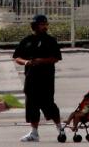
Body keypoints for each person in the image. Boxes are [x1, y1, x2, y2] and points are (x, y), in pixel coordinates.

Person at [14, 14, 64, 143]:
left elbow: (56, 58)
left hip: (46, 78)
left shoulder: (50, 41)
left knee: (49, 104)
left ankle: (60, 128)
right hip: (31, 78)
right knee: (31, 105)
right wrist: (26, 63)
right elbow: (17, 57)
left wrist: (41, 60)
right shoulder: (27, 40)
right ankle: (34, 133)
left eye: (46, 24)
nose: (45, 27)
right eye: (42, 24)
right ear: (35, 26)